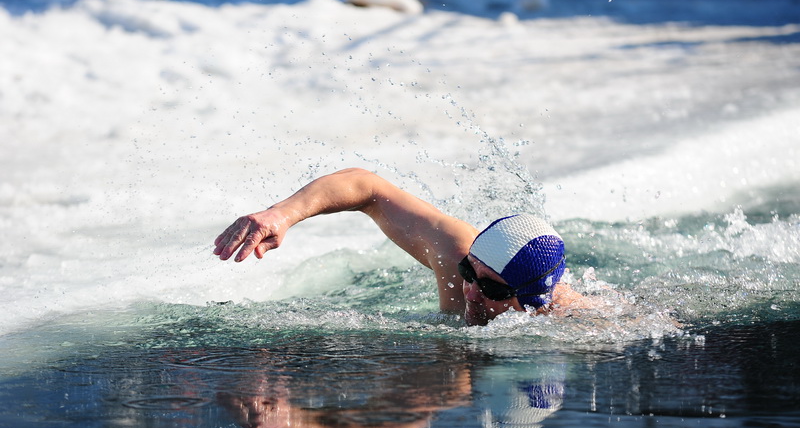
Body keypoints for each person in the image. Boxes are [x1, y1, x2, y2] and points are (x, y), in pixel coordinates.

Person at [214, 168, 584, 326]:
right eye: (469, 273)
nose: (469, 292)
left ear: (532, 300)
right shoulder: (457, 249)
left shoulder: (573, 323)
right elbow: (369, 188)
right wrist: (282, 214)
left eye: (490, 288)